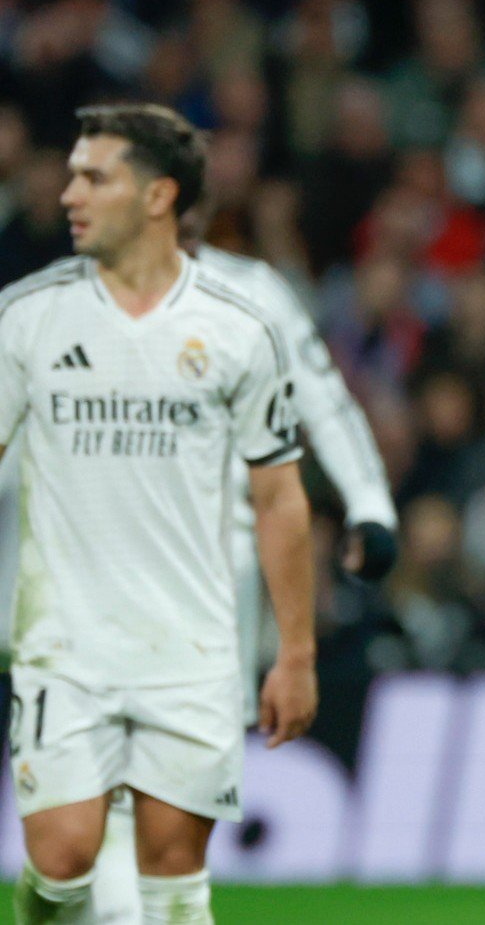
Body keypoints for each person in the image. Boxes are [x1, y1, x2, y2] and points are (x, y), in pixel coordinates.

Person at [1, 104, 317, 923]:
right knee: (63, 858)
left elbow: (279, 494)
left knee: (174, 869)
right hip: (64, 643)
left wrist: (296, 652)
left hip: (193, 645)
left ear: (157, 196)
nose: (69, 192)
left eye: (92, 176)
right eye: (72, 173)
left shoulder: (239, 328)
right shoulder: (28, 319)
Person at [81, 240, 399, 923]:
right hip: (100, 560)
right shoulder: (66, 298)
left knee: (177, 804)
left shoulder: (252, 290)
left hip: (213, 565)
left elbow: (324, 399)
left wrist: (370, 503)